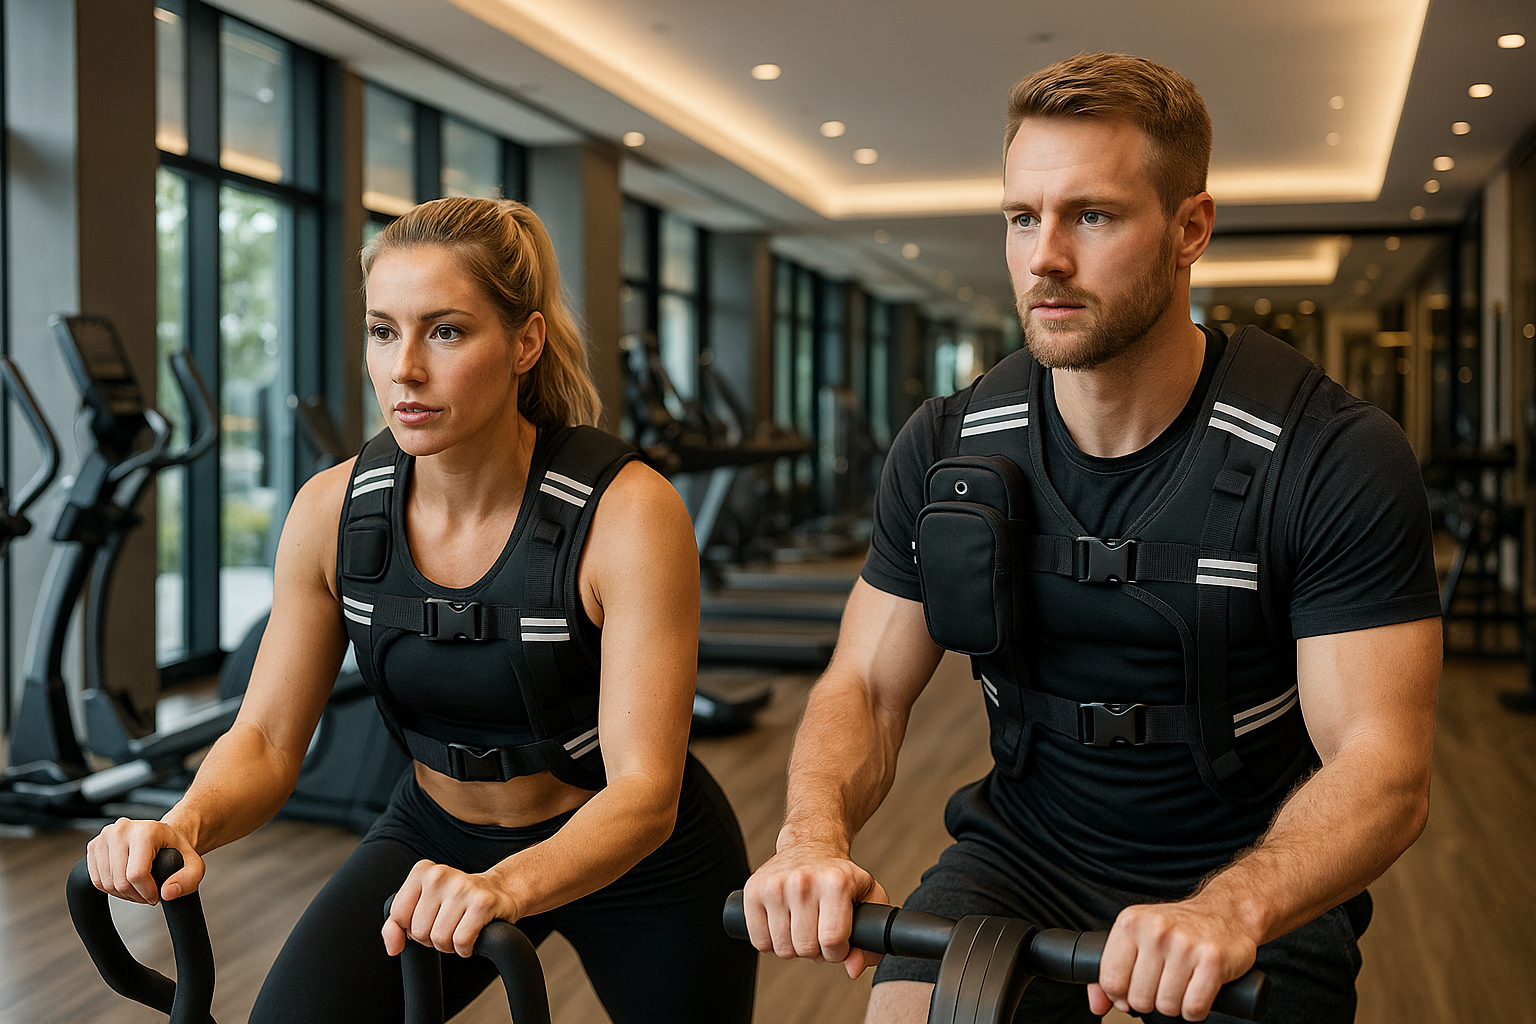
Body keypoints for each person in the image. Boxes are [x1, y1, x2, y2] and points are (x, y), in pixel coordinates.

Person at [742, 52, 1441, 1024]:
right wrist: (810, 836)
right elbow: (862, 684)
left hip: (1252, 870)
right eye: (1022, 218)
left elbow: (1383, 764)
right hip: (1021, 851)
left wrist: (1227, 908)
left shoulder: (1331, 456)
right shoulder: (947, 444)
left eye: (1092, 215)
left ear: (1191, 227)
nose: (1044, 257)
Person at [85, 196, 756, 1023]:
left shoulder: (627, 515)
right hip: (440, 833)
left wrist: (506, 885)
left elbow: (646, 792)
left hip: (637, 853)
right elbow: (262, 739)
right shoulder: (332, 511)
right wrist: (185, 823)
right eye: (382, 331)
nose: (403, 369)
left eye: (445, 331)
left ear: (525, 343)